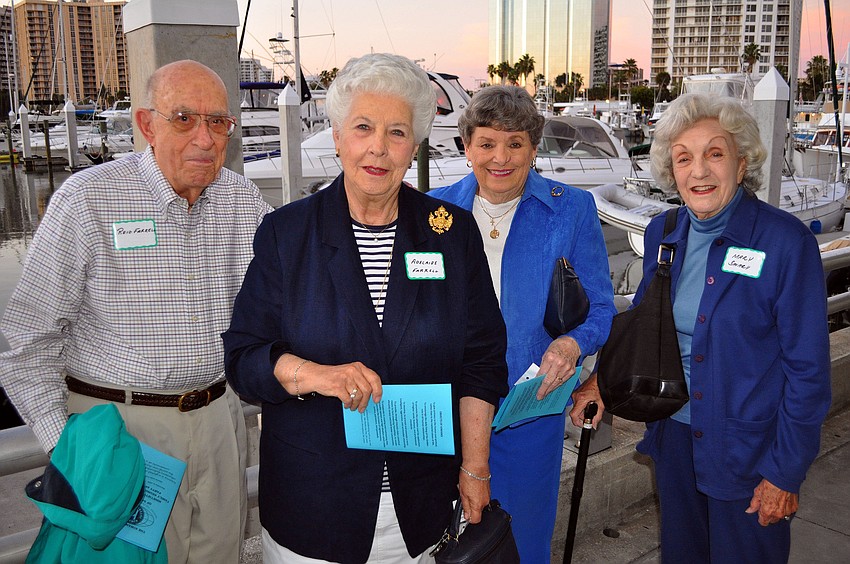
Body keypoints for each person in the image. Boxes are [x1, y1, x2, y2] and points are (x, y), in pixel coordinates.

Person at [222, 53, 509, 564]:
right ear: (337, 137)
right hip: (313, 508)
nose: (378, 146)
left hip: (421, 506)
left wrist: (475, 467)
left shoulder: (451, 232)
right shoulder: (287, 234)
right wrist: (316, 375)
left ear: (414, 145)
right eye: (363, 127)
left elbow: (482, 361)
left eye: (397, 132)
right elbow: (244, 358)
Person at [0, 60, 272, 563]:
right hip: (121, 434)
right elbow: (27, 344)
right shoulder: (87, 199)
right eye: (185, 119)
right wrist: (72, 450)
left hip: (219, 423)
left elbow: (288, 299)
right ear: (147, 125)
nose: (206, 138)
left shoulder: (243, 200)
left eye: (219, 122)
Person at [570, 92, 832, 563]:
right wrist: (601, 384)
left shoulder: (784, 242)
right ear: (671, 172)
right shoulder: (663, 233)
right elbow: (648, 330)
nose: (699, 170)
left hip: (751, 453)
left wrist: (785, 473)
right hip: (675, 439)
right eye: (684, 158)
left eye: (715, 153)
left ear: (741, 159)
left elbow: (808, 373)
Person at [429, 85, 616, 561]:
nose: (500, 157)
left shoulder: (571, 209)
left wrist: (572, 346)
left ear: (534, 148)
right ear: (466, 145)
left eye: (515, 144)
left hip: (529, 410)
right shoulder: (432, 211)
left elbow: (600, 309)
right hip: (445, 413)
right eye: (487, 143)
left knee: (525, 543)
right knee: (446, 542)